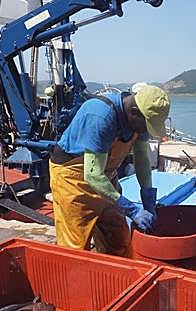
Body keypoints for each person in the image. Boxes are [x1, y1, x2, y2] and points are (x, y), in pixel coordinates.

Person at [49, 85, 170, 256]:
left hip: (105, 178)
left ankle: (115, 279)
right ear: (134, 112)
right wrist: (132, 210)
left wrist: (148, 197)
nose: (145, 131)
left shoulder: (139, 121)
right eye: (146, 126)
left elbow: (142, 158)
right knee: (75, 247)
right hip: (73, 180)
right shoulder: (100, 116)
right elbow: (92, 175)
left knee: (119, 240)